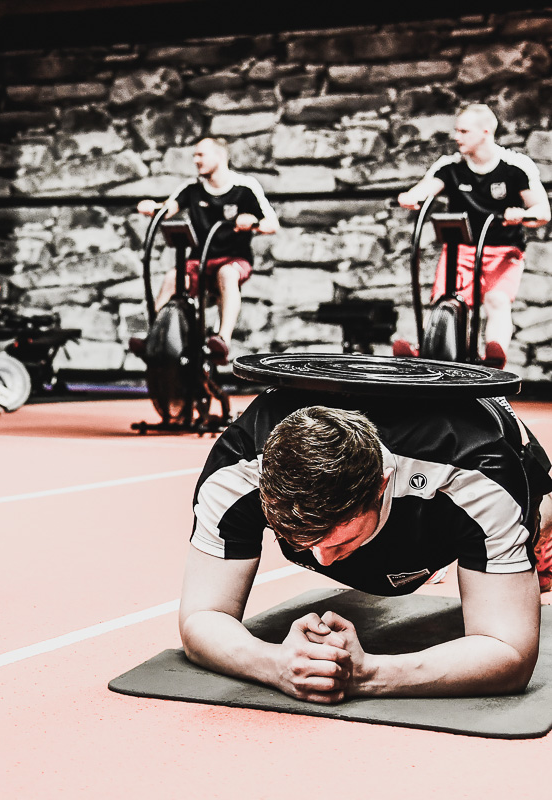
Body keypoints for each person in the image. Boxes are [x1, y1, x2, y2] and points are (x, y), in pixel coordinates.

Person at [180, 389, 552, 704]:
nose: (321, 558)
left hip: (497, 456)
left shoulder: (477, 475)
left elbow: (510, 653)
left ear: (381, 484)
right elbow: (200, 616)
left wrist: (369, 675)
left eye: (339, 540)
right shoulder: (237, 469)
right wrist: (272, 662)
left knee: (539, 531)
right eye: (298, 540)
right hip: (408, 508)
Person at [395, 104, 551, 369]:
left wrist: (521, 214)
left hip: (503, 249)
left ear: (485, 132)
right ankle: (433, 352)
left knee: (497, 300)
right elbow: (423, 190)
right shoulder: (451, 166)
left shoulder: (515, 167)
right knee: (446, 301)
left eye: (464, 131)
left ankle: (494, 358)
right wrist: (411, 197)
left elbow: (542, 212)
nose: (457, 136)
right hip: (461, 249)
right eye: (457, 130)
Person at [134, 137, 279, 365]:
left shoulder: (245, 188)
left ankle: (222, 340)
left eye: (201, 155)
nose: (195, 160)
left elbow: (272, 224)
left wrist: (252, 223)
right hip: (199, 262)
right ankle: (153, 336)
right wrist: (152, 207)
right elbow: (168, 208)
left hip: (233, 260)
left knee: (227, 274)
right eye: (195, 155)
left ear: (220, 156)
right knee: (173, 278)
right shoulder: (192, 189)